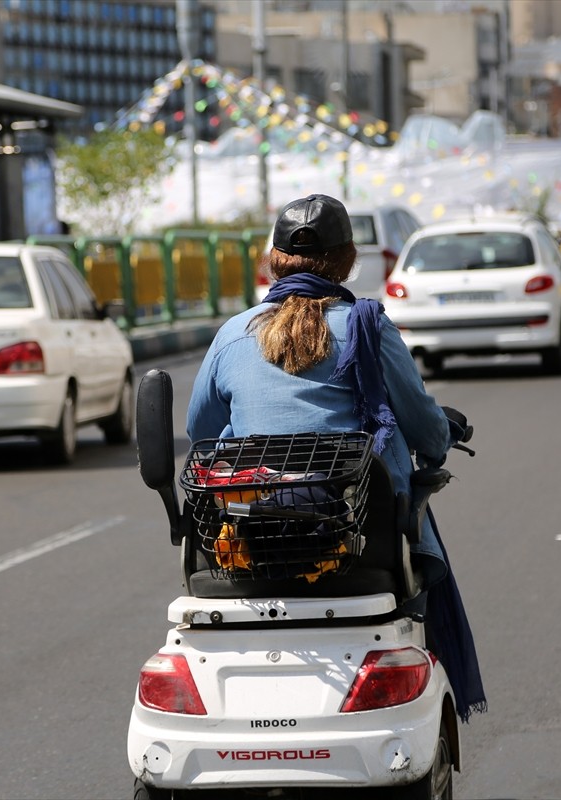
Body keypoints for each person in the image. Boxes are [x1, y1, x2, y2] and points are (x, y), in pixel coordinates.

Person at [186, 193, 486, 721]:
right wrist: (439, 439)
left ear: (273, 258)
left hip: (248, 542)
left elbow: (203, 433)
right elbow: (424, 428)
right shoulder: (369, 327)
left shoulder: (233, 334)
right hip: (359, 544)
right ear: (348, 259)